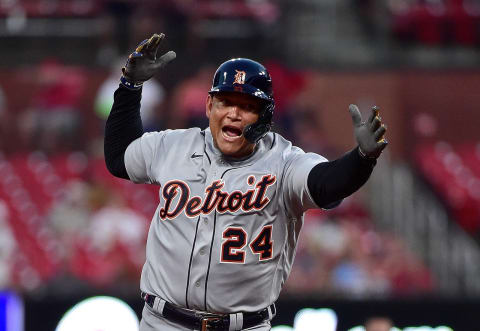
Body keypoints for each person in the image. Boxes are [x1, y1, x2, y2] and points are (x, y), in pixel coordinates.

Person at [104, 33, 388, 331]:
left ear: (265, 116)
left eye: (248, 106)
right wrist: (129, 88)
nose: (234, 113)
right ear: (209, 106)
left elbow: (327, 183)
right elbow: (119, 157)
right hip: (162, 323)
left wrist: (362, 158)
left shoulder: (285, 162)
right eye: (225, 101)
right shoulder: (173, 146)